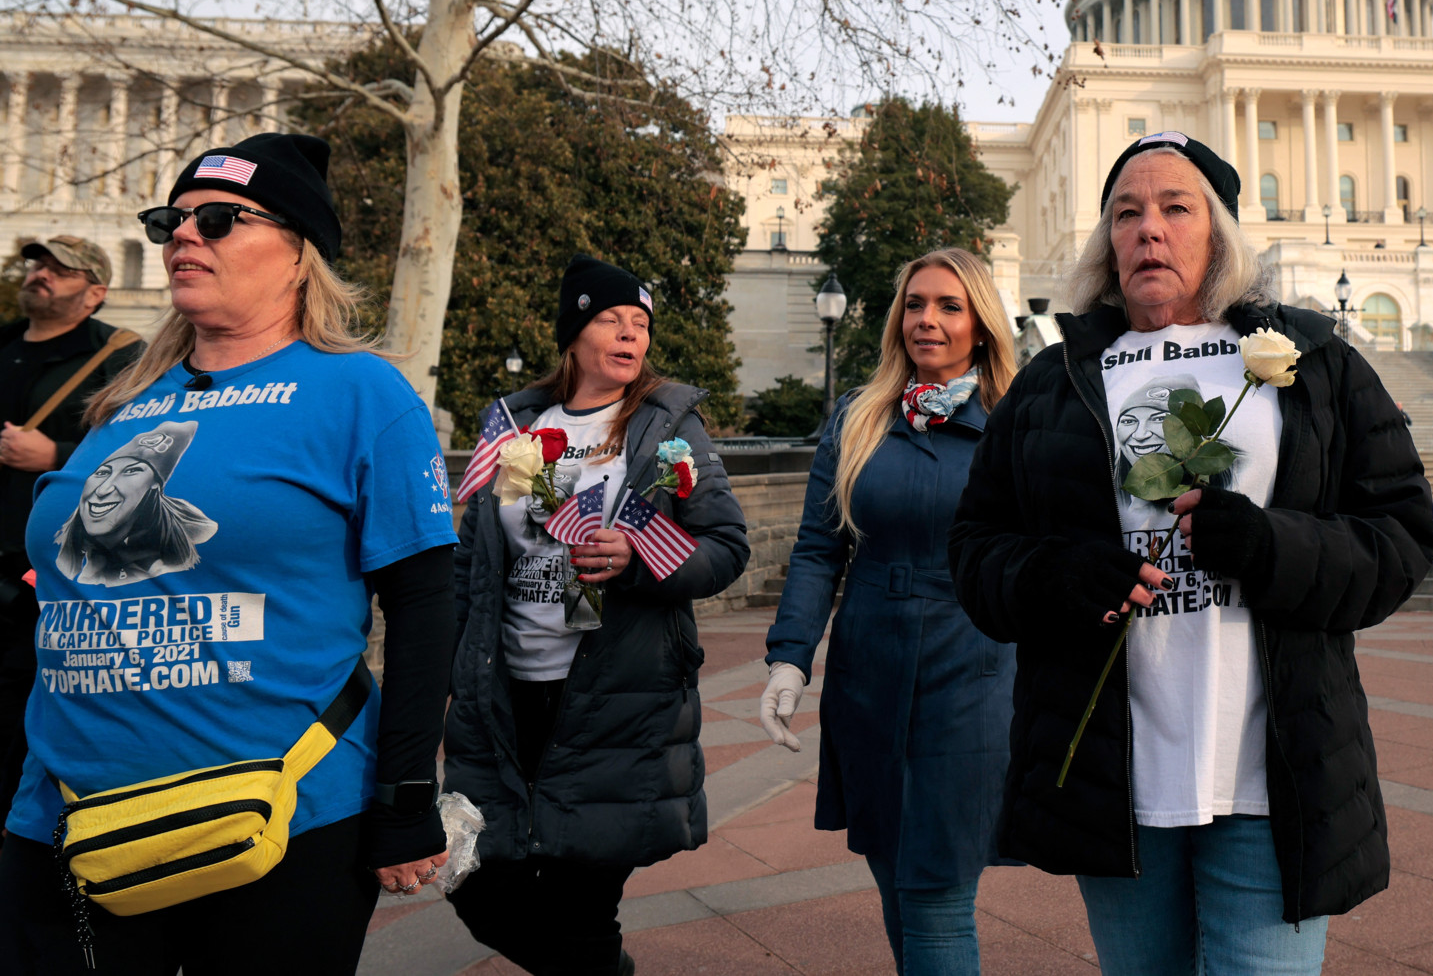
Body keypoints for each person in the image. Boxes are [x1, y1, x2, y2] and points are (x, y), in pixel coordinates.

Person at [949, 131, 1433, 976]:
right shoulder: (1056, 380)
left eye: (1176, 208)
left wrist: (1271, 545)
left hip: (1272, 775)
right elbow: (976, 550)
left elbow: (1401, 535)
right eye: (1127, 213)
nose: (1148, 230)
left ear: (1218, 233)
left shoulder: (1313, 363)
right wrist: (1059, 577)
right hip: (1116, 778)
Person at [0, 134, 456, 974]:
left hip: (274, 815)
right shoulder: (125, 398)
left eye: (218, 219)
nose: (184, 235)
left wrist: (406, 798)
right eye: (171, 219)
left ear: (297, 254)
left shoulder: (361, 391)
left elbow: (428, 602)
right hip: (64, 811)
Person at [442, 253, 750, 976]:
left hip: (619, 695)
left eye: (640, 323)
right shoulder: (515, 423)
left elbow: (727, 546)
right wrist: (445, 673)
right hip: (508, 696)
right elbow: (473, 562)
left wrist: (637, 562)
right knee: (475, 880)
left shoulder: (666, 426)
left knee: (583, 899)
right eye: (611, 318)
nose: (629, 333)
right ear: (573, 331)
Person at [760, 248, 1019, 976]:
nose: (926, 319)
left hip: (971, 667)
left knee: (934, 891)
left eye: (948, 305)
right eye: (914, 303)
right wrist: (790, 655)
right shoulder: (859, 416)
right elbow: (819, 547)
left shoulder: (1012, 421)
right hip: (868, 668)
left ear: (981, 324)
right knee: (894, 880)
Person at [0, 237, 144, 813]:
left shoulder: (118, 354)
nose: (41, 275)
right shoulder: (6, 341)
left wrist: (54, 454)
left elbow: (143, 458)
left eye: (61, 270)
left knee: (21, 707)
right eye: (39, 265)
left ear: (96, 293)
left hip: (45, 575)